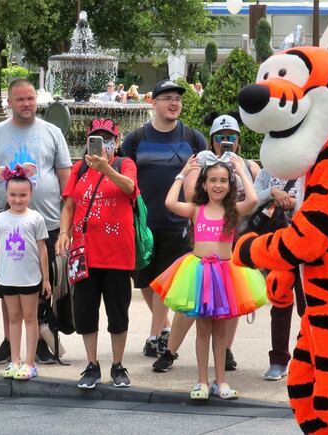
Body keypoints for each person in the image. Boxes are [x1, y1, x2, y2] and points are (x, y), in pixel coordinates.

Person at [0, 78, 72, 365]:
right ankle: (9, 340)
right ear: (10, 103)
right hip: (8, 224)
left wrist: (68, 222)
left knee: (43, 280)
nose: (26, 104)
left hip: (48, 222)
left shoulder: (52, 132)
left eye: (30, 98)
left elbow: (66, 179)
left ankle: (41, 340)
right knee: (9, 283)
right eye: (20, 99)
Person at [151, 151, 261, 400]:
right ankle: (201, 381)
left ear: (229, 184)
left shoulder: (233, 210)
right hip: (201, 275)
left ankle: (220, 381)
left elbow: (253, 199)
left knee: (220, 333)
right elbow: (169, 203)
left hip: (224, 276)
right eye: (212, 180)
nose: (218, 185)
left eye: (223, 180)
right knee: (202, 330)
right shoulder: (196, 209)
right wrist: (182, 174)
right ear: (203, 184)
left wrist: (242, 172)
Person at [121, 79, 207, 358]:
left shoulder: (192, 138)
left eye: (178, 99)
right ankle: (164, 326)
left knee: (164, 281)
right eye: (167, 98)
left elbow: (204, 179)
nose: (174, 103)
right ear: (153, 103)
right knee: (145, 280)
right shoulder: (136, 139)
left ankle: (154, 335)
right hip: (142, 222)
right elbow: (124, 175)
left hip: (177, 222)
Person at [57, 119, 136, 389]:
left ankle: (117, 365)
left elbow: (130, 188)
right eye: (97, 139)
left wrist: (106, 169)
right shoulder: (79, 169)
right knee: (86, 312)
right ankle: (92, 365)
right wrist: (64, 233)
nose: (103, 144)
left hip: (117, 254)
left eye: (108, 139)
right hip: (84, 254)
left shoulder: (124, 164)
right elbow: (69, 206)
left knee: (118, 312)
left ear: (116, 141)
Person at [0, 166, 52, 380]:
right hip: (7, 277)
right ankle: (14, 361)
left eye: (23, 195)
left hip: (30, 279)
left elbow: (42, 250)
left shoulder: (36, 218)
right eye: (13, 195)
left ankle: (30, 363)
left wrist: (46, 279)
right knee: (13, 318)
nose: (18, 199)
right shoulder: (0, 219)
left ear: (31, 194)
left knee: (30, 318)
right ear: (6, 194)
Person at [251, 169, 304, 381]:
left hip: (306, 246)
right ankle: (278, 360)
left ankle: (306, 358)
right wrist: (273, 192)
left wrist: (294, 202)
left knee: (307, 307)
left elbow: (320, 203)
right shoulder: (266, 172)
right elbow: (252, 200)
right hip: (278, 245)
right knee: (279, 302)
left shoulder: (312, 168)